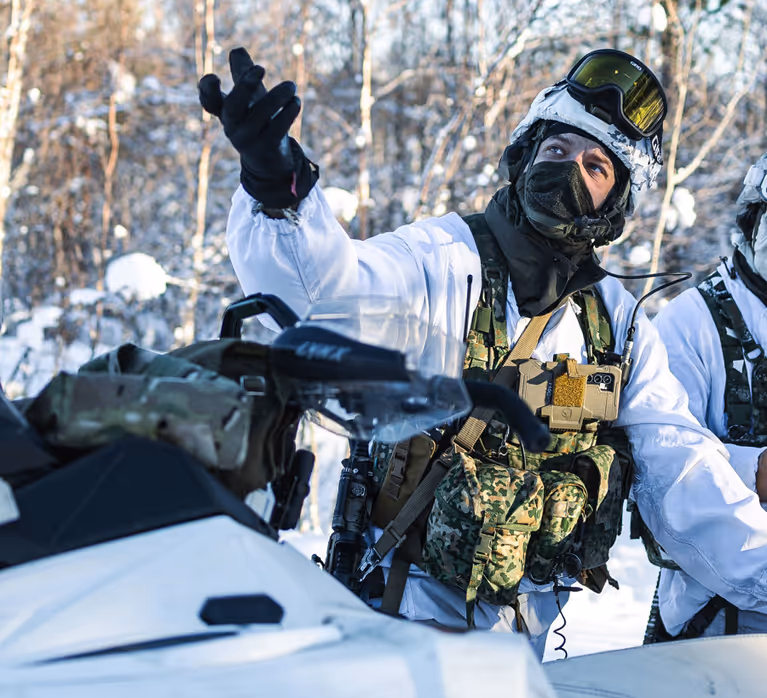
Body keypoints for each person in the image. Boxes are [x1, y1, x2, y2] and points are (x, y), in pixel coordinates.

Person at [199, 48, 767, 658]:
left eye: (597, 166)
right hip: (395, 623)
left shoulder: (618, 325)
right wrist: (277, 187)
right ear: (524, 158)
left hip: (521, 651)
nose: (571, 170)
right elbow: (330, 297)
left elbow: (679, 468)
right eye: (557, 151)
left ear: (616, 205)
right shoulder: (444, 261)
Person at [652, 154, 767, 640]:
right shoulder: (691, 324)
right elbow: (662, 481)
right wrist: (754, 471)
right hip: (719, 629)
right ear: (755, 220)